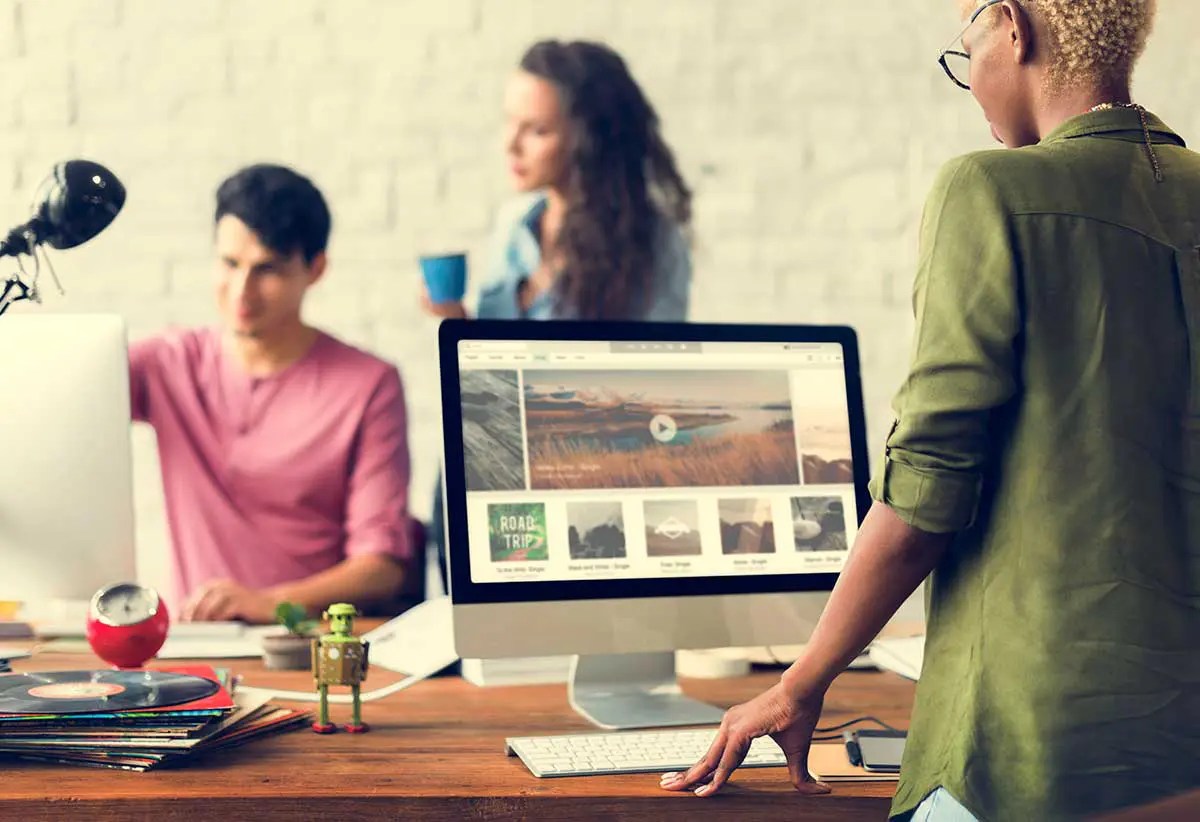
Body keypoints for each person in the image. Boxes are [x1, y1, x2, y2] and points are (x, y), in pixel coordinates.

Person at [661, 1, 1200, 819]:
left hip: (1032, 745)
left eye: (965, 47)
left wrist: (802, 683)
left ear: (1012, 28)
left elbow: (927, 490)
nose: (970, 78)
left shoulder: (990, 191)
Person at [423, 39, 694, 584]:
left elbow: (650, 383)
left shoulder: (652, 244)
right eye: (510, 122)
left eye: (537, 130)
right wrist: (458, 323)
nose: (511, 145)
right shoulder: (515, 224)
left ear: (589, 142)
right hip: (481, 450)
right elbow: (495, 355)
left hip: (571, 474)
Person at [130, 164, 414, 624]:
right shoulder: (166, 363)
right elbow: (54, 395)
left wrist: (273, 603)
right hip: (196, 646)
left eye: (268, 270)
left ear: (315, 269)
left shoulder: (368, 384)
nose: (242, 291)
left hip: (306, 643)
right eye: (229, 264)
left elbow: (381, 568)